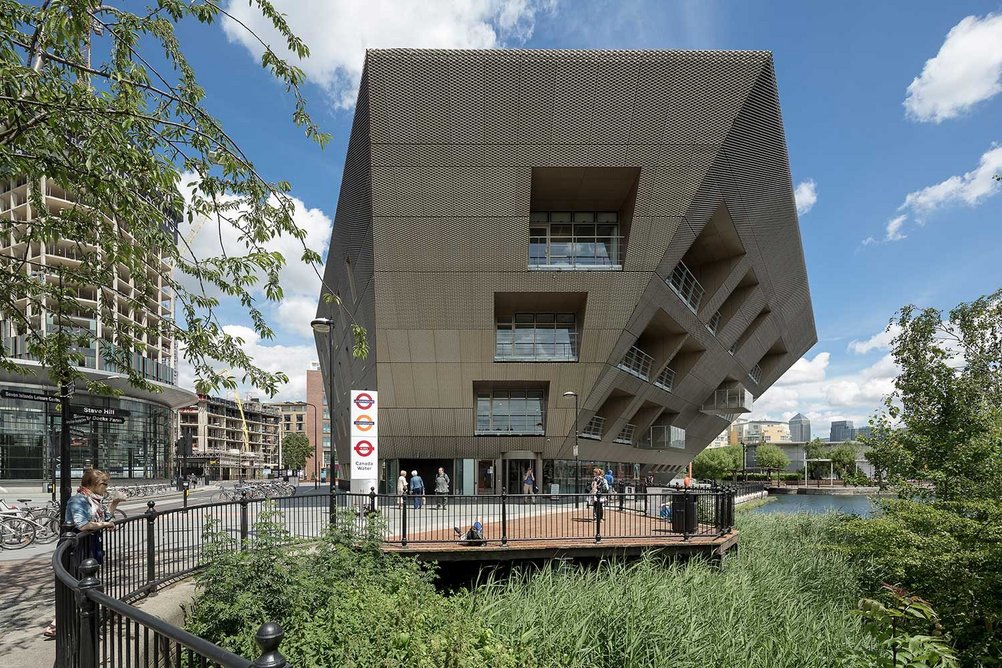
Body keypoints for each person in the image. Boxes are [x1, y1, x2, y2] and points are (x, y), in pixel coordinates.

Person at [44, 469, 122, 638]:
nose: (106, 487)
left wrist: (115, 502)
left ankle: (83, 625)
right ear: (92, 484)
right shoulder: (78, 500)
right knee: (77, 585)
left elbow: (106, 518)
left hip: (89, 546)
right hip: (76, 549)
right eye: (104, 484)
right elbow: (83, 525)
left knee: (85, 584)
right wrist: (104, 525)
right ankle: (59, 624)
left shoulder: (93, 500)